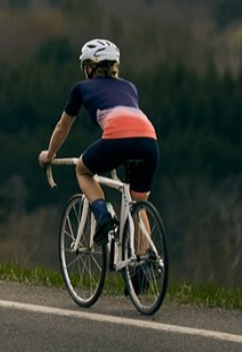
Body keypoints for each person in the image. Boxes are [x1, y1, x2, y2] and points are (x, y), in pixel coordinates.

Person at [36, 39, 160, 290]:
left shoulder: (81, 88)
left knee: (82, 169)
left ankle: (102, 214)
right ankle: (144, 264)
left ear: (89, 67)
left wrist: (49, 154)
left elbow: (63, 126)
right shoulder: (130, 87)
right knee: (139, 203)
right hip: (149, 141)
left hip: (117, 138)